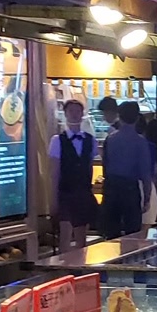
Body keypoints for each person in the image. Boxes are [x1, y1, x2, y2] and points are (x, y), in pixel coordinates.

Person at [49, 99, 99, 247]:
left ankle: (81, 262)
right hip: (65, 192)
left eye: (78, 111)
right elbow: (54, 171)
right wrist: (53, 198)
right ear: (65, 114)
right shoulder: (57, 140)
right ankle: (63, 261)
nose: (74, 114)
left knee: (81, 237)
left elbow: (89, 166)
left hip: (83, 192)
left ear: (82, 114)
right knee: (64, 235)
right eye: (71, 111)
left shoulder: (90, 140)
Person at [101, 102, 154, 237]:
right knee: (132, 233)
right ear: (137, 118)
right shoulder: (140, 141)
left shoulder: (110, 139)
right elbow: (145, 173)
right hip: (130, 188)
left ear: (119, 117)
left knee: (111, 233)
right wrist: (147, 198)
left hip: (111, 187)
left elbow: (105, 165)